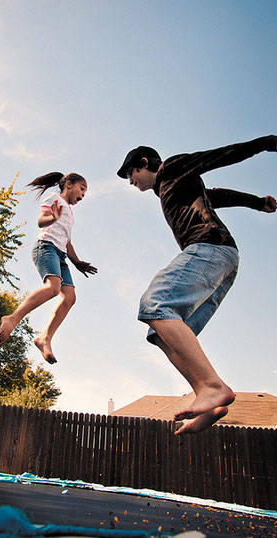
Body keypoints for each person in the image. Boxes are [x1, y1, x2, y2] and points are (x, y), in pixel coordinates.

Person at [117, 135, 276, 435]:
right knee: (161, 333)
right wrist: (256, 203)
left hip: (209, 248)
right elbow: (218, 196)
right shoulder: (173, 188)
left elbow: (217, 155)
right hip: (223, 262)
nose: (130, 181)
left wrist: (266, 142)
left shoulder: (173, 168)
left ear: (144, 163)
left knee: (154, 304)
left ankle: (213, 386)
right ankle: (209, 397)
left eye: (131, 174)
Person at [0, 172, 97, 364]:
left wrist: (77, 262)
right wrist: (52, 218)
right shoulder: (54, 199)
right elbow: (41, 220)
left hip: (60, 254)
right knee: (53, 288)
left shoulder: (70, 212)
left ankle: (44, 338)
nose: (83, 195)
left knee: (69, 297)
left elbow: (67, 242)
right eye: (82, 188)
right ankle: (12, 318)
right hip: (46, 247)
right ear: (69, 184)